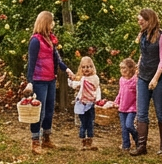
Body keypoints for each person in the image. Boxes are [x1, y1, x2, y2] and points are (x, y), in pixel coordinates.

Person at [24, 11, 73, 155]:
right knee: (39, 111)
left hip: (50, 79)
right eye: (52, 22)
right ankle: (35, 141)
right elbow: (31, 63)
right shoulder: (35, 41)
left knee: (50, 110)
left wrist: (67, 70)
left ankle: (46, 137)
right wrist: (30, 82)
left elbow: (57, 59)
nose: (53, 24)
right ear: (46, 22)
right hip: (39, 81)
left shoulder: (50, 39)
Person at [131, 8, 162, 157]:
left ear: (150, 21)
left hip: (159, 78)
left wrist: (155, 78)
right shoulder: (143, 34)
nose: (140, 24)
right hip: (143, 76)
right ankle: (141, 146)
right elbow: (143, 53)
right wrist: (138, 67)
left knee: (160, 112)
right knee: (141, 113)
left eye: (143, 21)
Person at [68, 56, 105, 151]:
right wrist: (70, 81)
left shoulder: (95, 78)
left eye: (88, 66)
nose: (86, 69)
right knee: (83, 123)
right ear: (81, 69)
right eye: (83, 67)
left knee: (91, 122)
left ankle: (90, 140)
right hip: (82, 104)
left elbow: (97, 88)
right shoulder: (82, 79)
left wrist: (98, 100)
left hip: (91, 104)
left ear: (93, 67)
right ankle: (83, 141)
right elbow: (74, 85)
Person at [115, 58, 139, 153]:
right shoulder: (121, 80)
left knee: (129, 125)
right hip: (122, 107)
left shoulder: (135, 80)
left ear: (130, 68)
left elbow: (138, 94)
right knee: (124, 128)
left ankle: (137, 138)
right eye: (120, 68)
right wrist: (116, 102)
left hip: (132, 108)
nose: (122, 70)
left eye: (124, 68)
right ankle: (126, 145)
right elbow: (120, 93)